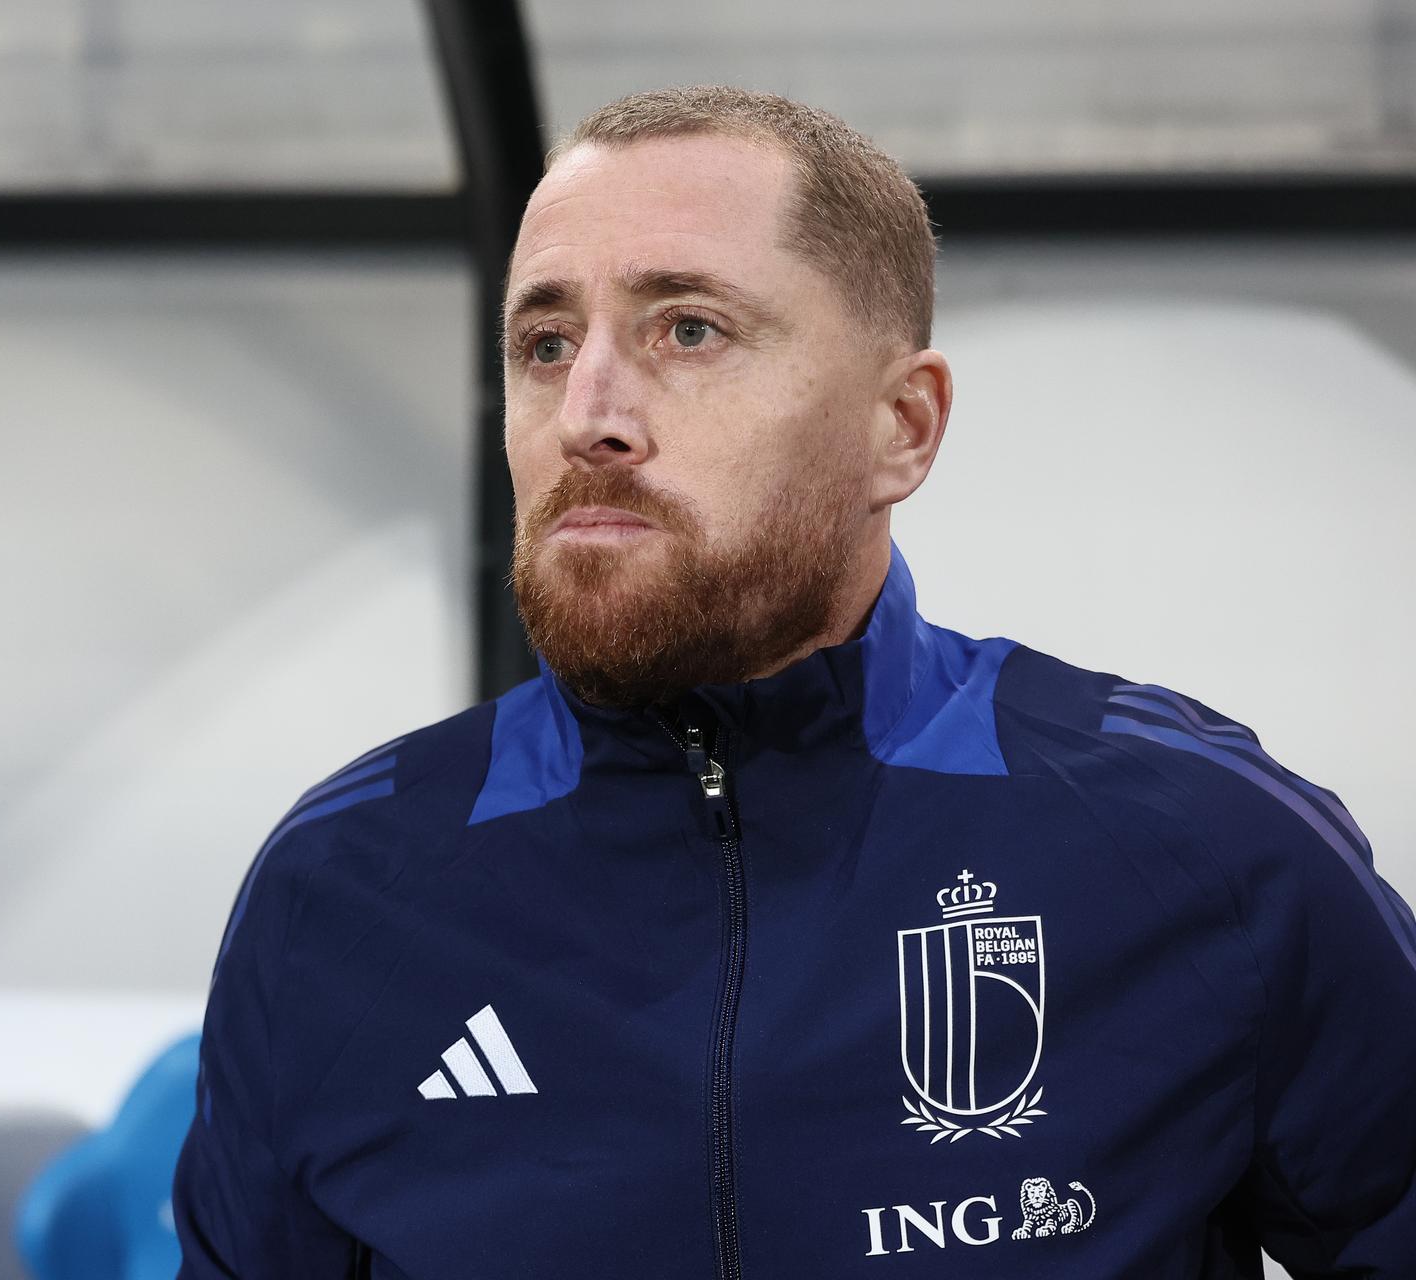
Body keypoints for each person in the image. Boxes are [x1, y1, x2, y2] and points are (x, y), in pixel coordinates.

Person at [171, 85, 1416, 1278]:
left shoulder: (1200, 844)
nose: (588, 413)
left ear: (902, 426)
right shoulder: (340, 889)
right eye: (545, 344)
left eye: (688, 330)